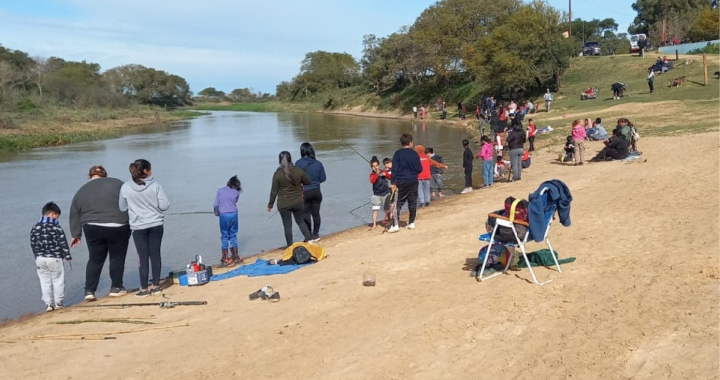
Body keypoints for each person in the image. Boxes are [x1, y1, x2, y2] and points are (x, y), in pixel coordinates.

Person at [70, 165, 131, 301]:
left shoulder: (81, 190)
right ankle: (116, 287)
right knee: (117, 257)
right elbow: (129, 199)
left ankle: (89, 291)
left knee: (95, 259)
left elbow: (74, 211)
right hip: (118, 225)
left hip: (92, 227)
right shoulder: (117, 183)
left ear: (90, 176)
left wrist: (76, 234)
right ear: (105, 175)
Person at [119, 159, 170, 298]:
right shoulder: (156, 185)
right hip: (156, 224)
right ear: (146, 171)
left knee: (142, 256)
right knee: (155, 254)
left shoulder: (125, 187)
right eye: (150, 169)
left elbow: (122, 207)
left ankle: (143, 288)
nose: (152, 171)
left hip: (138, 227)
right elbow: (164, 206)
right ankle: (156, 286)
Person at [31, 202, 72, 312]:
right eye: (57, 216)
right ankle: (58, 302)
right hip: (55, 258)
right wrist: (68, 256)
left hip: (40, 258)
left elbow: (33, 244)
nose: (57, 219)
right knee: (58, 280)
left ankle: (48, 304)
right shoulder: (56, 227)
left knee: (44, 281)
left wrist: (37, 256)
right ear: (53, 214)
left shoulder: (35, 227)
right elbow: (62, 242)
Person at [268, 151, 312, 247]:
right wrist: (300, 184)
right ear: (290, 159)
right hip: (298, 201)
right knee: (300, 221)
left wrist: (270, 205)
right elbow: (308, 181)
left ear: (280, 161)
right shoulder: (298, 171)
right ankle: (308, 239)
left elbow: (274, 191)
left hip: (284, 204)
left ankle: (290, 245)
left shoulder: (277, 174)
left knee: (287, 225)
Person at [388, 134, 423, 233]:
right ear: (411, 143)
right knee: (412, 202)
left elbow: (394, 169)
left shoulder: (398, 154)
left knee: (397, 202)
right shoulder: (415, 154)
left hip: (401, 181)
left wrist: (393, 182)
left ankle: (395, 224)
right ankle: (411, 222)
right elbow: (419, 169)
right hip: (413, 180)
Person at [295, 142, 326, 242]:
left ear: (302, 151)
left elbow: (296, 180)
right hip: (317, 191)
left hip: (305, 192)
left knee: (305, 214)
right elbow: (323, 178)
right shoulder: (318, 163)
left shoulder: (298, 163)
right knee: (316, 214)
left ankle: (308, 236)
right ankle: (316, 234)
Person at [213, 175, 242, 267]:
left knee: (225, 236)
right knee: (233, 235)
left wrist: (217, 213)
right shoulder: (237, 192)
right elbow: (235, 201)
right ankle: (235, 256)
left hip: (223, 215)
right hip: (233, 214)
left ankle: (225, 258)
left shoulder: (220, 191)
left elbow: (215, 205)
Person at [369, 156, 391, 230]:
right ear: (371, 167)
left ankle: (390, 220)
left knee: (386, 209)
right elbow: (372, 181)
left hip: (385, 193)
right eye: (373, 166)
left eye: (376, 165)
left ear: (379, 165)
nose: (375, 167)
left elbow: (391, 177)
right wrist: (377, 174)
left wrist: (386, 175)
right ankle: (374, 224)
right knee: (375, 210)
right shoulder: (372, 174)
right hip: (376, 194)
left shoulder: (383, 171)